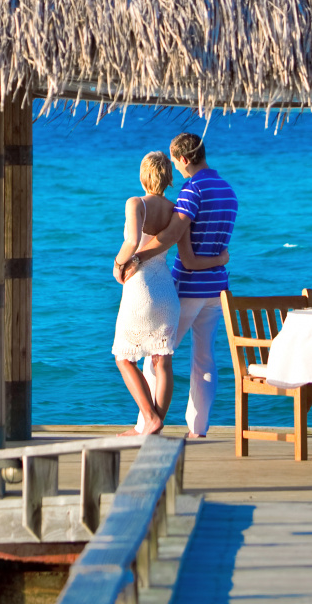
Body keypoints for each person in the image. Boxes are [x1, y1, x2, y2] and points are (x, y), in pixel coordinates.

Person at [138, 132, 237, 439]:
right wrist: (220, 260)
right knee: (205, 358)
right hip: (217, 290)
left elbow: (176, 241)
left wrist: (136, 258)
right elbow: (217, 249)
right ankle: (199, 428)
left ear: (183, 159)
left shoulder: (192, 190)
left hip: (189, 288)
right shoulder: (228, 191)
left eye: (176, 164)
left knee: (156, 357)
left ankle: (146, 425)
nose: (176, 171)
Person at [111, 152, 181, 435]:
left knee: (124, 357)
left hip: (140, 288)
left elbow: (131, 240)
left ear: (143, 176)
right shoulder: (175, 208)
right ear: (168, 178)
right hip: (166, 289)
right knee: (162, 360)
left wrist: (118, 263)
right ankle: (155, 424)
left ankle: (149, 419)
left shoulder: (135, 203)